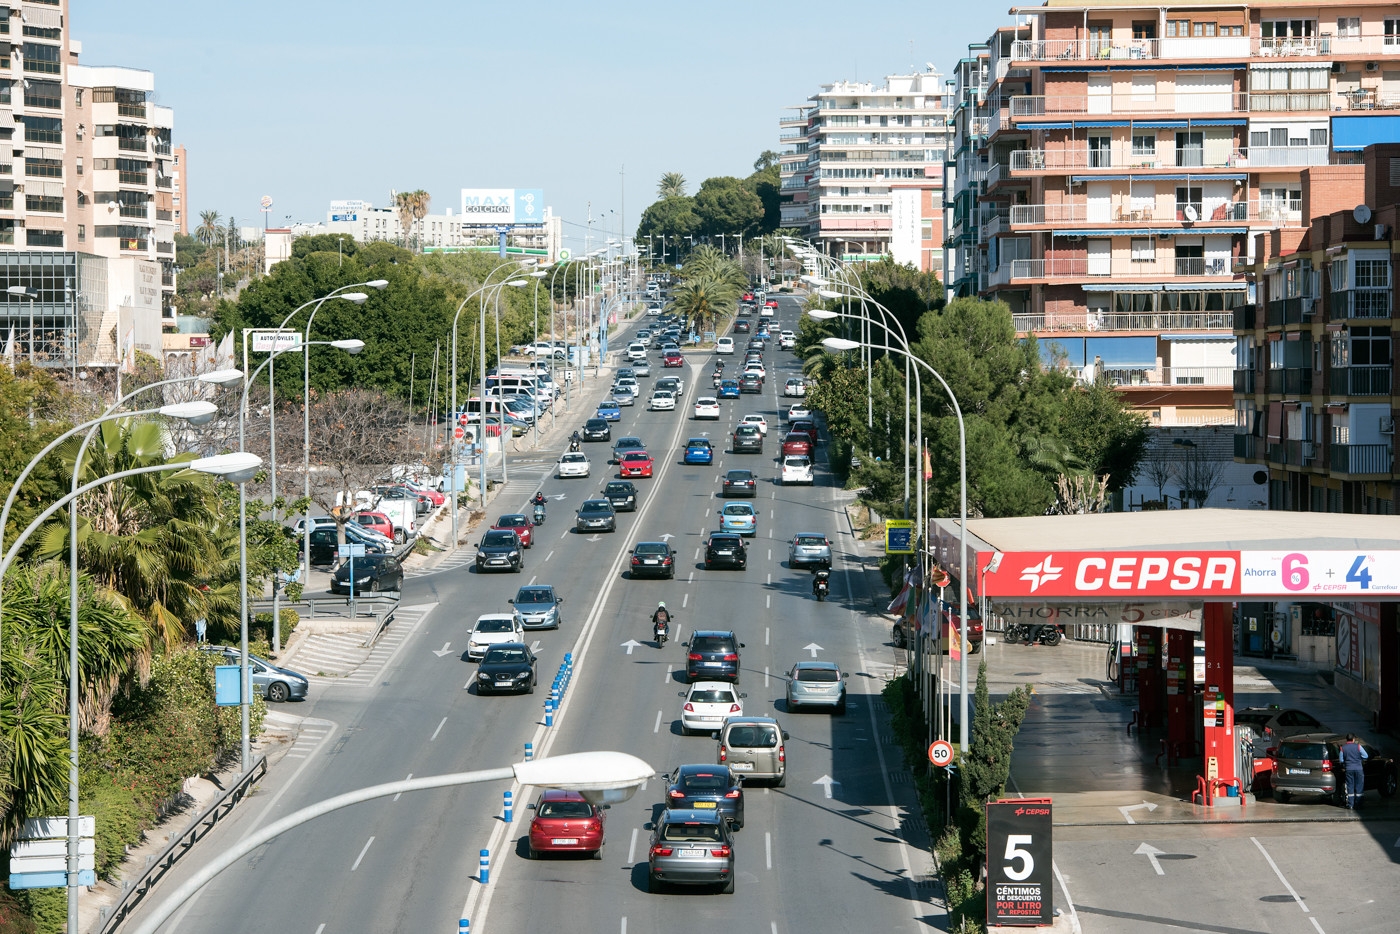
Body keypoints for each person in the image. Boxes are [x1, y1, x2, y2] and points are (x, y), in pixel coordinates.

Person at [1340, 733, 1368, 808]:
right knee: (1359, 786)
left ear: (1347, 739)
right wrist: (1359, 759)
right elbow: (1366, 756)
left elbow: (1341, 760)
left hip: (1349, 769)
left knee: (1350, 786)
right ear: (1353, 739)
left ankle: (1350, 805)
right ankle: (1359, 804)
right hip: (1359, 769)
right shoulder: (1358, 746)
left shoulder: (1343, 748)